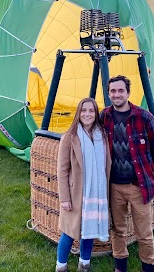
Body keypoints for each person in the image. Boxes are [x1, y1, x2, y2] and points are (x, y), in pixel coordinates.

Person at [100, 75, 154, 272]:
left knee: (143, 232)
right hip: (114, 185)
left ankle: (148, 266)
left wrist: (144, 170)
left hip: (138, 186)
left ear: (128, 93)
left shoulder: (144, 117)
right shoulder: (104, 116)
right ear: (109, 93)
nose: (117, 94)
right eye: (113, 91)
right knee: (118, 230)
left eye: (121, 90)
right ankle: (120, 266)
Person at [56, 98, 112, 272]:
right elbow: (62, 170)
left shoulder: (101, 137)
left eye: (91, 111)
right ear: (78, 113)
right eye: (84, 110)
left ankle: (84, 264)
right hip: (76, 194)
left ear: (96, 114)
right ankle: (61, 266)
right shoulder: (70, 138)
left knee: (89, 231)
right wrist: (64, 198)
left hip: (96, 192)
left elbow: (106, 165)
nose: (87, 114)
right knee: (69, 233)